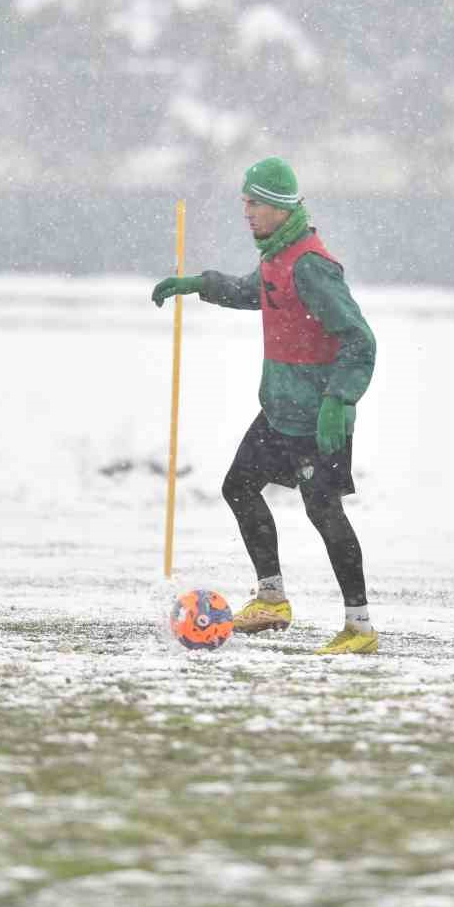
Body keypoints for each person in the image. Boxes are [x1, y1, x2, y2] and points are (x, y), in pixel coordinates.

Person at [152, 157, 379, 655]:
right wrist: (199, 285)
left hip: (319, 417)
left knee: (324, 512)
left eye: (254, 203)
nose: (247, 211)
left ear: (278, 207)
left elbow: (359, 340)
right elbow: (251, 291)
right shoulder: (277, 256)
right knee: (238, 487)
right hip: (279, 410)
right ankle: (272, 599)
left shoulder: (311, 265)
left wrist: (339, 400)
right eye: (244, 202)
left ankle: (359, 628)